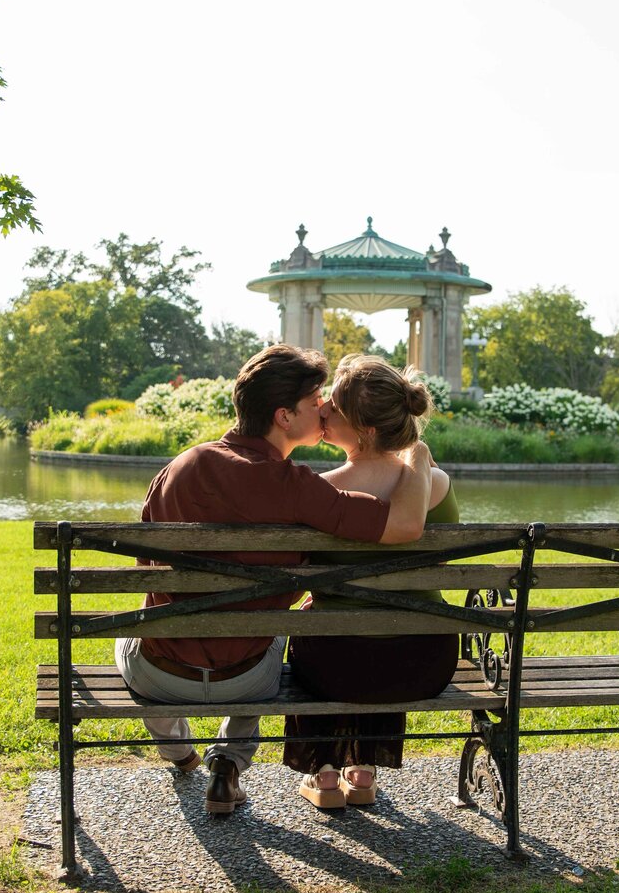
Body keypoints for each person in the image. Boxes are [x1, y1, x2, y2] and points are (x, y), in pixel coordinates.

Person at [116, 344, 433, 815]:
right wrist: (416, 452)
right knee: (268, 633)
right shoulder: (300, 488)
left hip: (161, 675)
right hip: (246, 679)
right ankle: (228, 761)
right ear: (285, 416)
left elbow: (149, 569)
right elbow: (405, 525)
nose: (324, 407)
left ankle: (178, 751)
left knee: (134, 632)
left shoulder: (178, 468)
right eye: (315, 402)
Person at [284, 356, 460, 809]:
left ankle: (323, 776)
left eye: (334, 409)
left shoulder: (319, 490)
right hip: (425, 664)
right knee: (396, 625)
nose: (322, 412)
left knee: (324, 633)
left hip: (335, 667)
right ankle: (362, 772)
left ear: (364, 429)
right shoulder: (436, 484)